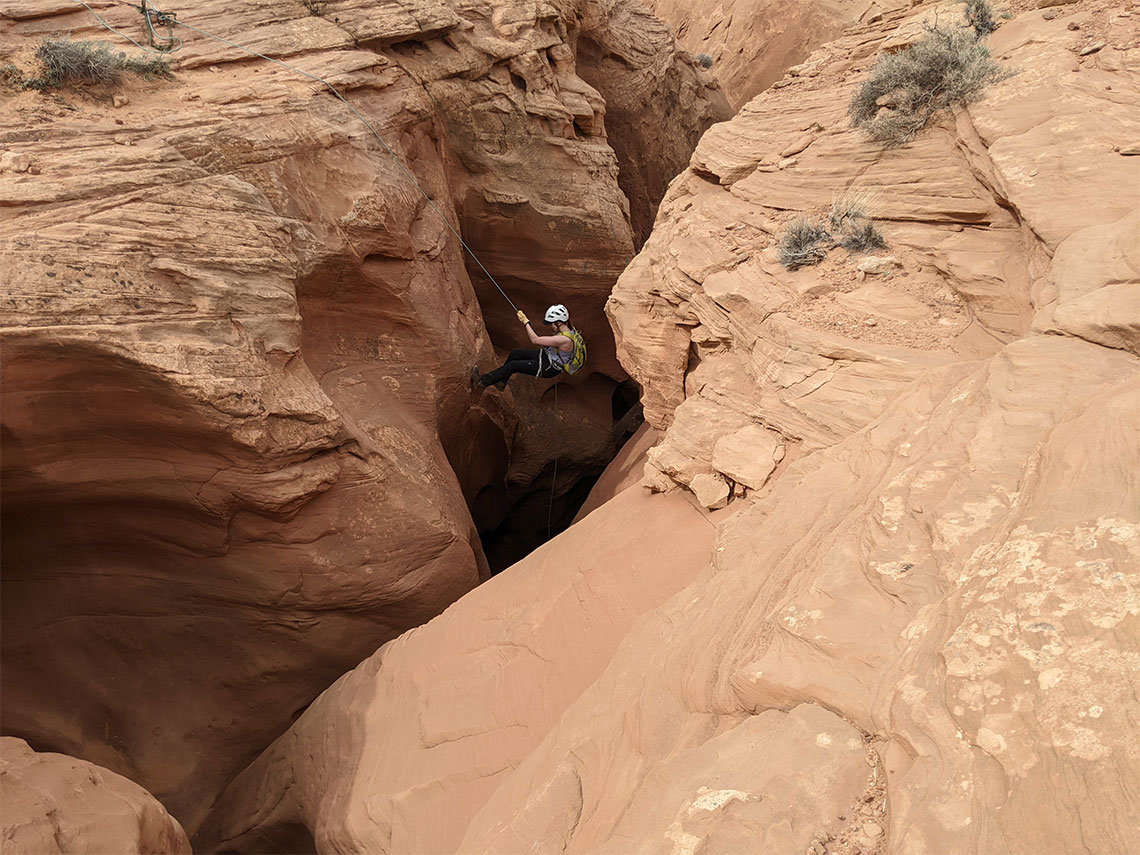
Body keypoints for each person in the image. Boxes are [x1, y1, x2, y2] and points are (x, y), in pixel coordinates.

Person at [473, 304, 585, 389]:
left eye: (552, 323)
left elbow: (535, 340)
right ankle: (502, 382)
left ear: (559, 323)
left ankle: (482, 382)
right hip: (546, 357)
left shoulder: (564, 340)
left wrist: (526, 322)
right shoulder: (570, 330)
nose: (551, 326)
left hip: (548, 367)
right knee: (516, 353)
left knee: (513, 366)